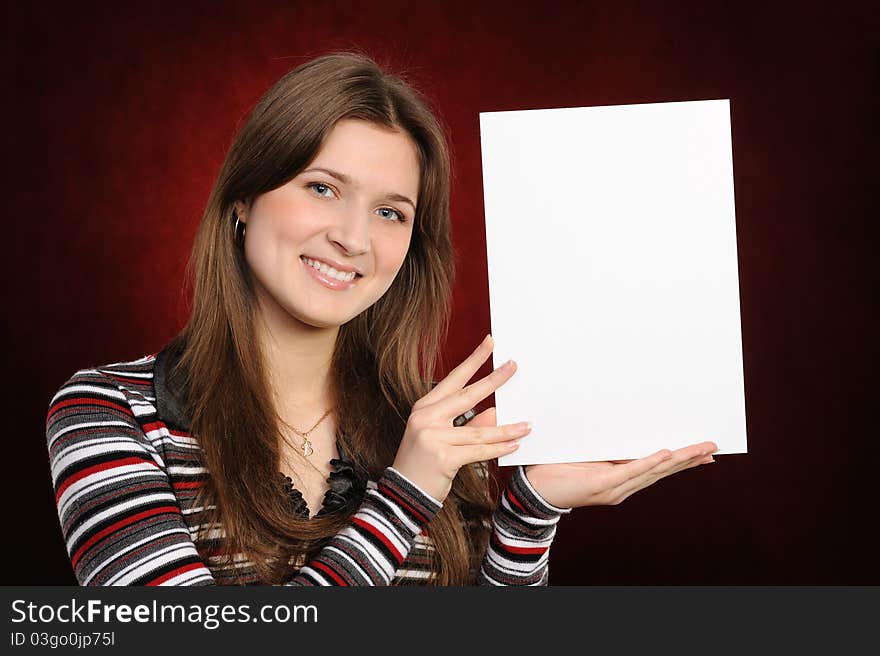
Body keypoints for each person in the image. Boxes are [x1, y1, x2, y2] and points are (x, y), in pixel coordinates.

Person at [46, 51, 718, 586]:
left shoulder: (436, 436)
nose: (353, 238)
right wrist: (407, 494)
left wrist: (529, 510)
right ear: (245, 197)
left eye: (390, 212)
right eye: (322, 188)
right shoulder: (107, 413)